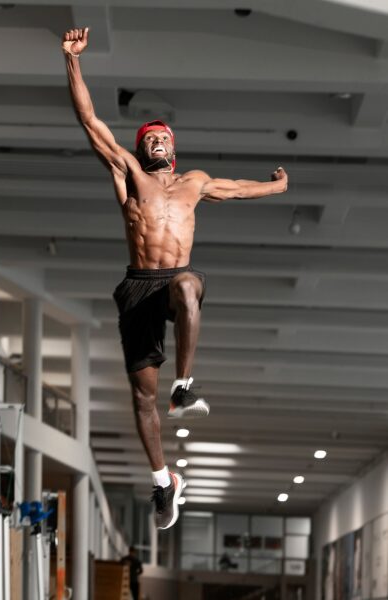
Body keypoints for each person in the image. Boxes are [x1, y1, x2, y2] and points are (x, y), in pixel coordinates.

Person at [62, 27, 288, 531]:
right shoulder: (129, 174)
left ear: (174, 149)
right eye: (150, 139)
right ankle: (164, 482)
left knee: (188, 285)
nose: (158, 142)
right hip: (138, 284)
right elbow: (89, 120)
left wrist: (277, 186)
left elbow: (236, 190)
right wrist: (72, 61)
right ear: (142, 150)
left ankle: (185, 385)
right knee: (142, 396)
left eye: (164, 138)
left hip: (172, 279)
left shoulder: (195, 183)